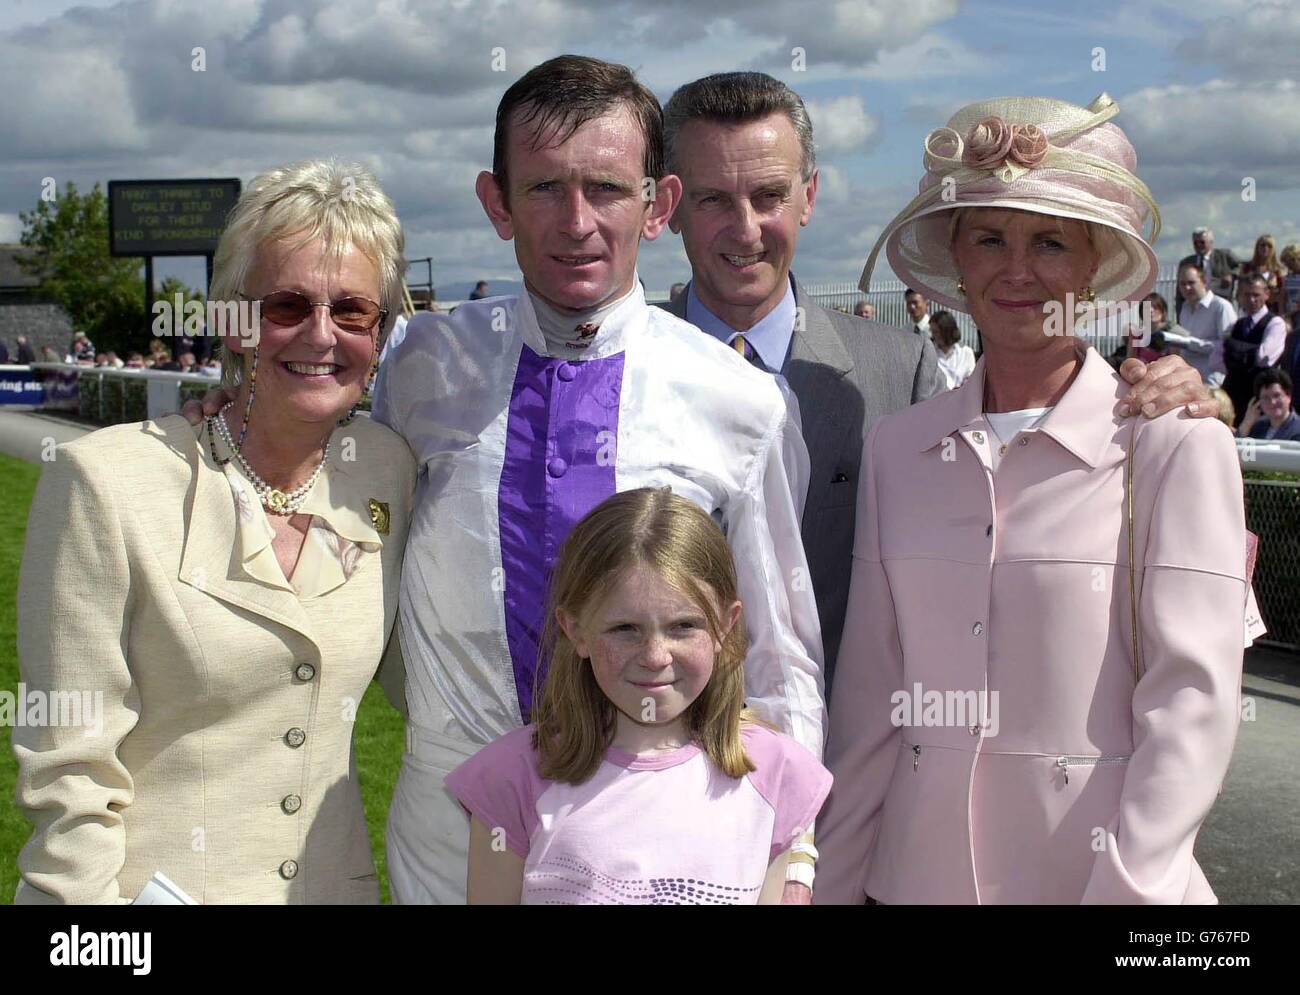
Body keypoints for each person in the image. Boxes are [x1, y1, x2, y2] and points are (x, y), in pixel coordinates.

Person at [175, 56, 824, 905]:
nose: (577, 221)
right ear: (496, 202)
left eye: (607, 188)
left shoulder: (740, 402)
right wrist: (240, 397)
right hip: (449, 832)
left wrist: (794, 853)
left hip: (654, 840)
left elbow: (779, 658)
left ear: (658, 204)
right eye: (546, 187)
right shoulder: (420, 362)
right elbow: (307, 440)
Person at [816, 93, 1248, 904]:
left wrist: (1125, 894)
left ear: (1094, 266)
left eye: (1050, 241)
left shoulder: (1175, 445)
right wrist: (830, 885)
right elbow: (871, 703)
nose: (1018, 270)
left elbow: (1192, 707)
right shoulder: (896, 450)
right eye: (990, 239)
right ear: (958, 260)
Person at [658, 70, 1207, 688]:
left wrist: (1185, 405)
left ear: (808, 196)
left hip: (845, 764)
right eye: (712, 200)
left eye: (769, 196)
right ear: (669, 205)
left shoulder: (898, 372)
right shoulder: (617, 373)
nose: (746, 228)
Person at [14, 158, 416, 904]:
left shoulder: (385, 470)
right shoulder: (105, 481)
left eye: (353, 310)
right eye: (287, 306)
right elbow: (69, 769)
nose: (321, 335)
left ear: (382, 331)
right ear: (232, 320)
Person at [446, 488, 831, 904]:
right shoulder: (513, 777)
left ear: (724, 625)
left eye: (683, 626)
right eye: (625, 629)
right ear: (576, 630)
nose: (654, 656)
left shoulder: (776, 773)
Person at [1222, 274, 1287, 426]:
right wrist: (1247, 353)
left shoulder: (1275, 323)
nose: (1251, 300)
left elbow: (1264, 357)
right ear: (1239, 296)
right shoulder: (1236, 325)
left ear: (1267, 294)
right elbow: (1217, 359)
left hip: (1260, 397)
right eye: (1246, 294)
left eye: (1256, 295)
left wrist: (1234, 349)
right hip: (1235, 393)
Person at [1176, 261, 1236, 383]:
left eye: (1191, 283)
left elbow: (1227, 346)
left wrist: (1190, 343)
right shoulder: (1185, 308)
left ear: (1204, 282)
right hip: (1189, 380)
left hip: (1213, 380)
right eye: (1182, 284)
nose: (1187, 288)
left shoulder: (1221, 307)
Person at [1175, 226, 1239, 311]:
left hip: (1219, 305)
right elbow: (1179, 292)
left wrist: (1232, 275)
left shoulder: (1224, 256)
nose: (1198, 245)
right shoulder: (1186, 263)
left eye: (1202, 242)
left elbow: (1244, 266)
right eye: (1195, 243)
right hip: (1194, 308)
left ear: (1211, 242)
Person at [1239, 368, 1300, 441]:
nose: (1272, 402)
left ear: (1289, 397)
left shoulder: (1297, 429)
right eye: (1266, 398)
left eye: (1277, 395)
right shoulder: (1256, 426)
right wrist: (1246, 424)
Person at [1239, 233, 1287, 313]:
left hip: (1271, 310)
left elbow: (1282, 295)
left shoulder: (1279, 270)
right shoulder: (1247, 268)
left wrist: (1281, 313)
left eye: (1269, 246)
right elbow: (1240, 290)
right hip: (1248, 309)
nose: (1265, 248)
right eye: (1262, 245)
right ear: (1257, 248)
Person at [930, 310, 975, 389]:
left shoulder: (966, 353)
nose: (934, 336)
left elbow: (972, 379)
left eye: (936, 332)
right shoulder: (929, 353)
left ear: (947, 331)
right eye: (933, 332)